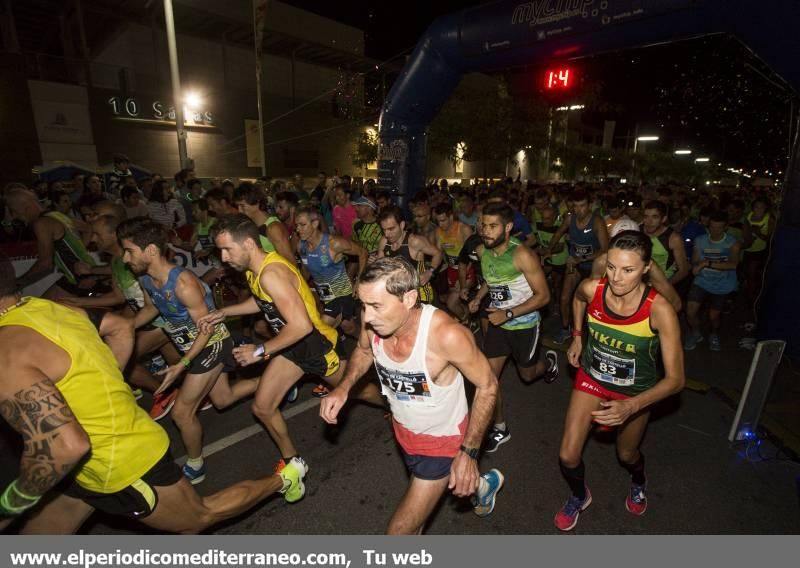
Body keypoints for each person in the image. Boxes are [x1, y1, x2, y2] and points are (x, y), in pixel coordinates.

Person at [0, 261, 306, 534]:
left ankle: (286, 478)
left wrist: (13, 502)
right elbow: (119, 327)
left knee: (199, 516)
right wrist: (106, 384)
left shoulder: (6, 351)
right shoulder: (46, 307)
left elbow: (66, 446)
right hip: (81, 470)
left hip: (118, 460)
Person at [320, 257, 504, 534]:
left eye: (376, 306)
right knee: (416, 525)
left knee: (399, 534)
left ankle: (472, 477)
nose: (367, 317)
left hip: (443, 442)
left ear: (408, 298)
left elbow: (488, 385)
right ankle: (483, 485)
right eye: (364, 305)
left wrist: (468, 452)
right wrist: (343, 388)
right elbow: (364, 349)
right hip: (404, 432)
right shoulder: (373, 322)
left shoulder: (446, 335)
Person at [199, 215, 376, 478]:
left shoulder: (272, 273)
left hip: (315, 344)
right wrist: (227, 312)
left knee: (359, 391)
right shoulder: (253, 270)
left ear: (248, 244)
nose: (223, 258)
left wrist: (260, 350)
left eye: (227, 249)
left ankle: (395, 406)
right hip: (291, 344)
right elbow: (264, 303)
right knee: (263, 407)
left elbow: (302, 326)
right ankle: (294, 463)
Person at [557, 231, 684, 531]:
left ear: (646, 268)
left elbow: (677, 380)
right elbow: (577, 298)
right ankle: (579, 495)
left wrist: (630, 407)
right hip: (592, 377)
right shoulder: (592, 288)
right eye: (611, 266)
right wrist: (577, 337)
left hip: (635, 392)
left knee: (626, 454)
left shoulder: (659, 310)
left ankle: (639, 479)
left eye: (628, 270)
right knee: (567, 454)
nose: (616, 277)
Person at [118, 218, 259, 484]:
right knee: (223, 400)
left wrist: (183, 363)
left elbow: (206, 329)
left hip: (210, 345)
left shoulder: (184, 284)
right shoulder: (146, 278)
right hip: (192, 347)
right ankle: (271, 380)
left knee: (181, 413)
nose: (125, 259)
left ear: (150, 251)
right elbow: (152, 308)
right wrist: (126, 327)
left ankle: (195, 464)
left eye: (129, 251)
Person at [468, 202, 558, 453]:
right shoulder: (483, 252)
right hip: (499, 324)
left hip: (525, 325)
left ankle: (547, 364)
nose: (486, 231)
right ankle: (500, 427)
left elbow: (543, 296)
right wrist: (478, 296)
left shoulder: (523, 255)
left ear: (508, 228)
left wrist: (507, 313)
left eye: (493, 226)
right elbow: (490, 280)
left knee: (527, 374)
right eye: (483, 225)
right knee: (487, 379)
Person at [5, 188, 98, 299]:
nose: (15, 216)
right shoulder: (56, 215)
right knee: (42, 309)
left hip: (81, 279)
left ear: (25, 208)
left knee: (41, 312)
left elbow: (45, 264)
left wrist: (16, 283)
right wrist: (78, 253)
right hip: (81, 276)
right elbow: (87, 228)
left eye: (14, 211)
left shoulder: (41, 223)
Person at [547, 189, 609, 344]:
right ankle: (565, 328)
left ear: (589, 205)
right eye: (575, 206)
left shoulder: (597, 222)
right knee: (564, 297)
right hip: (575, 264)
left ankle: (596, 332)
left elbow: (605, 250)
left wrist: (580, 258)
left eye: (582, 206)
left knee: (593, 302)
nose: (578, 210)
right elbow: (558, 233)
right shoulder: (570, 219)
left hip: (594, 267)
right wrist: (549, 249)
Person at [295, 206, 366, 338]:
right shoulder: (301, 247)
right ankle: (366, 346)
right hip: (325, 298)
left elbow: (362, 252)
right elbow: (306, 272)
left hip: (343, 294)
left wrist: (359, 281)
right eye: (297, 225)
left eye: (303, 225)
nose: (298, 229)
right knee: (348, 327)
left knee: (323, 330)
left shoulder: (334, 243)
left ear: (315, 224)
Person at [684, 210, 741, 351]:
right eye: (712, 227)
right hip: (702, 281)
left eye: (719, 227)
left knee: (713, 316)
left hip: (723, 284)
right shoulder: (700, 240)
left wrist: (707, 263)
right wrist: (696, 266)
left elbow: (733, 264)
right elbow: (696, 262)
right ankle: (696, 334)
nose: (715, 231)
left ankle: (713, 334)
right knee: (690, 311)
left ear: (725, 227)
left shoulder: (732, 243)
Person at [377, 206, 442, 305]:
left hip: (420, 294)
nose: (387, 234)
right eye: (384, 229)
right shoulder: (384, 242)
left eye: (391, 229)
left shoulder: (415, 242)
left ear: (402, 225)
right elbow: (381, 268)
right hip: (398, 292)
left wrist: (429, 272)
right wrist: (375, 263)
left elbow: (438, 253)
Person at [233, 182, 294, 261]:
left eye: (242, 205)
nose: (239, 210)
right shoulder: (250, 225)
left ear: (256, 202)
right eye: (237, 206)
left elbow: (290, 262)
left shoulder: (273, 228)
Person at [433, 202, 475, 319]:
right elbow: (438, 253)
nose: (440, 224)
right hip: (451, 269)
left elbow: (473, 256)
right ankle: (467, 317)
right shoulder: (438, 231)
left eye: (443, 220)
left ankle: (466, 320)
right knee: (454, 300)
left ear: (451, 217)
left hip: (467, 269)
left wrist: (462, 277)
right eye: (438, 221)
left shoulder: (464, 229)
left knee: (451, 303)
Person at [641, 200, 689, 285]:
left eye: (654, 217)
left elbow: (683, 270)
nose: (649, 222)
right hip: (640, 281)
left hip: (663, 281)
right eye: (646, 217)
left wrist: (664, 286)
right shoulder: (638, 231)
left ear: (663, 219)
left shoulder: (673, 238)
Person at [352, 195, 383, 261]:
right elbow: (356, 244)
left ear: (369, 207)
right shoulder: (356, 225)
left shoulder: (382, 225)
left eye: (359, 206)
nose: (356, 209)